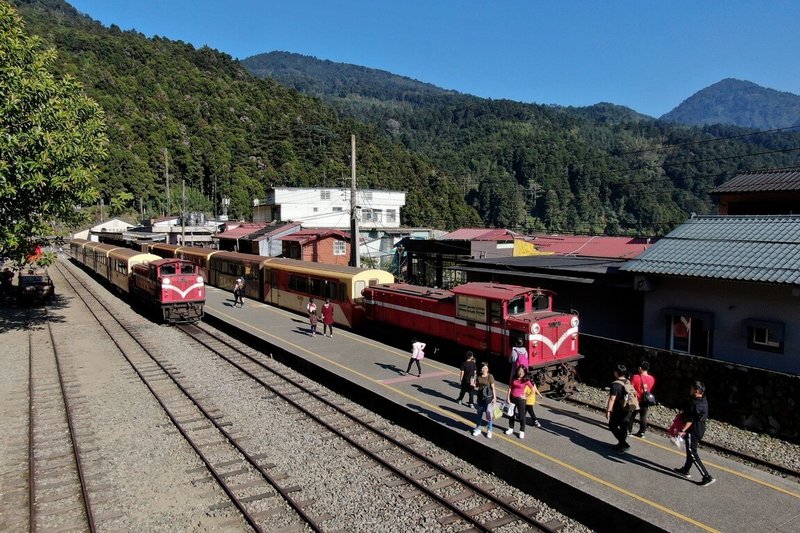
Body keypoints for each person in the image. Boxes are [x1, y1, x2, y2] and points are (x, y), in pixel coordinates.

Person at [673, 381, 716, 486]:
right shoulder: (703, 400)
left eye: (691, 388)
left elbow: (690, 420)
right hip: (701, 427)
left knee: (692, 452)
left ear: (696, 391)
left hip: (694, 429)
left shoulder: (694, 403)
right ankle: (686, 469)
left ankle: (706, 476)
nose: (690, 389)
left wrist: (682, 431)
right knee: (690, 449)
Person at [504, 365, 542, 439]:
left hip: (521, 400)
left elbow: (533, 390)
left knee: (521, 416)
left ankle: (522, 431)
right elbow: (510, 387)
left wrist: (526, 396)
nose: (520, 372)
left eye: (522, 371)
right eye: (519, 371)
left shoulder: (526, 380)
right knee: (511, 414)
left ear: (524, 372)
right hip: (512, 398)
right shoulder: (514, 378)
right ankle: (510, 428)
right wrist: (507, 397)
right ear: (517, 371)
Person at [605, 364, 634, 452]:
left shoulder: (615, 384)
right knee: (623, 427)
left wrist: (608, 410)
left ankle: (624, 444)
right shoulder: (628, 381)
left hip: (619, 409)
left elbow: (612, 399)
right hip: (630, 408)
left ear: (617, 373)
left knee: (612, 426)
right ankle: (621, 444)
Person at [628, 361, 656, 438]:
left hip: (636, 399)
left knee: (631, 415)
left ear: (640, 368)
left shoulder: (636, 377)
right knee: (643, 416)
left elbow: (630, 387)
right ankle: (642, 432)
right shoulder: (652, 378)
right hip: (646, 400)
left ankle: (628, 430)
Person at [471, 363, 497, 438]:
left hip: (488, 399)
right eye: (483, 368)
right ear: (481, 369)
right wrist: (474, 385)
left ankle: (489, 430)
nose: (484, 369)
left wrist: (494, 398)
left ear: (487, 369)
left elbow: (493, 387)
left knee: (489, 416)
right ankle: (478, 428)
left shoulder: (490, 376)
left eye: (485, 368)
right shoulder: (478, 377)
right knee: (479, 414)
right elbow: (477, 386)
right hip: (480, 398)